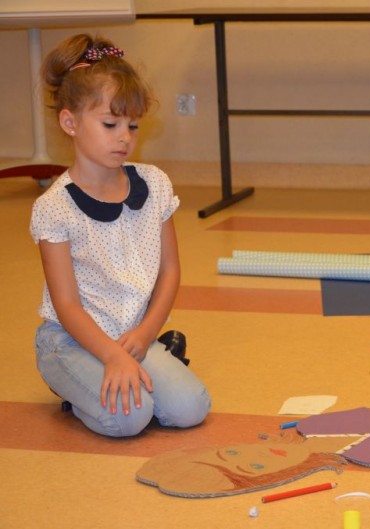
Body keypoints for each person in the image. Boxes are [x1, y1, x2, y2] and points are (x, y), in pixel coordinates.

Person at [30, 34, 210, 437]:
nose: (125, 136)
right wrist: (111, 356)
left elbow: (170, 270)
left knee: (191, 408)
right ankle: (71, 386)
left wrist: (146, 335)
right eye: (110, 124)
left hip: (131, 334)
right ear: (70, 123)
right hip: (72, 340)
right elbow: (66, 304)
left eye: (132, 125)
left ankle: (137, 369)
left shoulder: (154, 183)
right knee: (129, 418)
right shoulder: (54, 207)